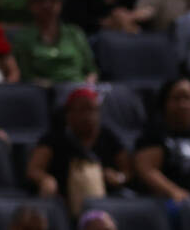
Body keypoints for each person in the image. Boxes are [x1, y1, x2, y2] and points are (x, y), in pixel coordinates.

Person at [26, 87, 130, 216]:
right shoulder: (54, 138)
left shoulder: (109, 137)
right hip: (64, 201)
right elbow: (34, 169)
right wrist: (45, 179)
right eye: (82, 110)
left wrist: (119, 178)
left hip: (104, 201)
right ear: (68, 114)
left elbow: (128, 170)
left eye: (92, 109)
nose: (88, 116)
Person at [12, 0, 99, 87]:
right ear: (31, 5)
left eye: (53, 0)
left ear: (61, 4)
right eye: (40, 0)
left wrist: (89, 84)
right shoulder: (23, 37)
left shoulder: (75, 33)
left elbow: (91, 70)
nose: (47, 5)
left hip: (79, 88)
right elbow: (25, 75)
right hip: (43, 91)